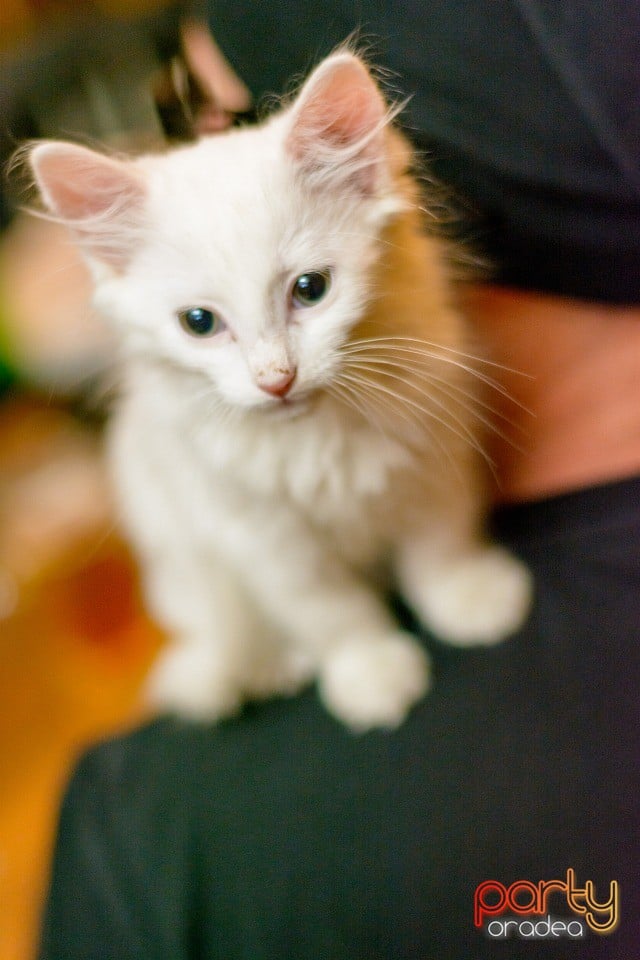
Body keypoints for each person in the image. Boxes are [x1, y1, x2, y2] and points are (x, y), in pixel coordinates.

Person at [38, 3, 640, 957]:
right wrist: (346, 640)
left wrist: (448, 565)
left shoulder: (140, 835)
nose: (271, 370)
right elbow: (254, 541)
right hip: (268, 603)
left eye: (308, 292)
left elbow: (434, 460)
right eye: (203, 325)